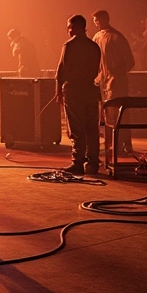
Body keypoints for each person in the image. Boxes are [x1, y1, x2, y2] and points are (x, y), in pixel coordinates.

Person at [56, 15, 102, 175]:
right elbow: (96, 69)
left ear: (74, 27)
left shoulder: (69, 45)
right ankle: (93, 163)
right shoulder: (94, 46)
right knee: (91, 128)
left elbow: (62, 70)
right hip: (90, 89)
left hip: (74, 90)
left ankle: (77, 163)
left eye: (69, 27)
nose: (68, 30)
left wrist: (58, 91)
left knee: (76, 128)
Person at [92, 10, 136, 155]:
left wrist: (116, 75)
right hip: (103, 83)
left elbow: (130, 62)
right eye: (95, 21)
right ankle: (110, 144)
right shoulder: (97, 37)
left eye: (98, 21)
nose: (96, 24)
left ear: (106, 19)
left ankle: (123, 145)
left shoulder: (117, 37)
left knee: (119, 114)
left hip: (115, 83)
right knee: (106, 115)